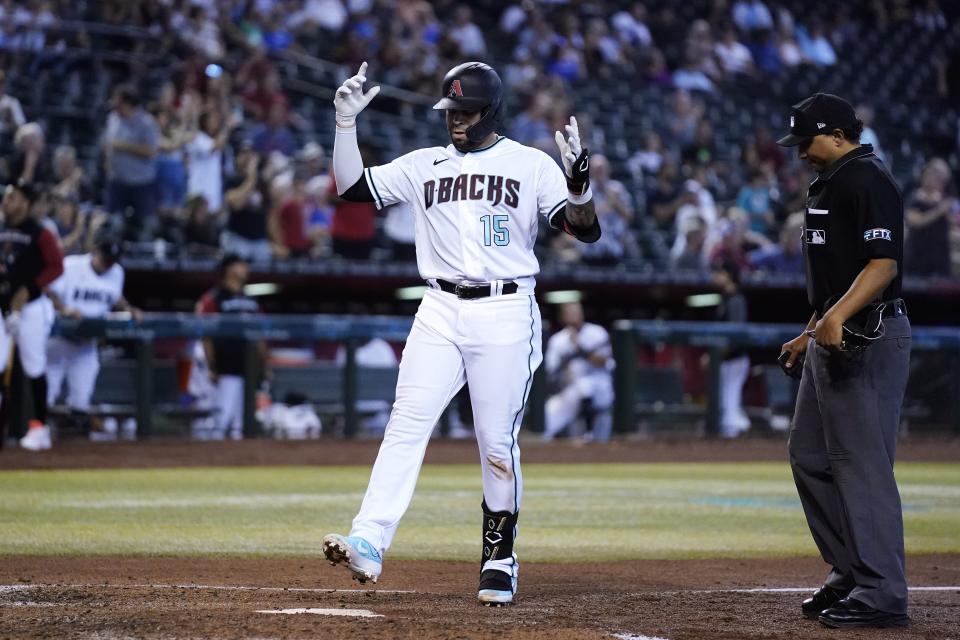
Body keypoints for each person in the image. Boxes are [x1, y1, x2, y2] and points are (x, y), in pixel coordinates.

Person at [321, 61, 599, 606]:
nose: (455, 121)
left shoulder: (528, 163)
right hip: (439, 308)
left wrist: (581, 188)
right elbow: (353, 187)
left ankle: (499, 556)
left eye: (465, 112)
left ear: (490, 111)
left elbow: (582, 230)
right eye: (450, 111)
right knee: (406, 424)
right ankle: (369, 542)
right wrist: (345, 126)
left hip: (505, 309)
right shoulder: (425, 164)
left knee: (496, 444)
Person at [777, 93, 911, 629]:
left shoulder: (868, 178)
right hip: (832, 335)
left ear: (835, 134)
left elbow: (883, 265)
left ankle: (882, 590)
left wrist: (834, 319)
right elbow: (838, 277)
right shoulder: (831, 181)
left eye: (805, 141)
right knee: (809, 455)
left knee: (862, 466)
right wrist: (812, 330)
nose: (800, 152)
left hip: (870, 336)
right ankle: (851, 570)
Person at [45, 234, 142, 438]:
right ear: (95, 251)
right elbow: (48, 290)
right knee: (46, 394)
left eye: (112, 261)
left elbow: (115, 298)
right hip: (58, 340)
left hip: (87, 345)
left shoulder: (116, 272)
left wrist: (128, 308)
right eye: (105, 258)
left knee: (81, 400)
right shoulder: (71, 266)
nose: (108, 264)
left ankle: (73, 451)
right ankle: (34, 443)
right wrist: (65, 309)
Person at [0, 180, 64, 451]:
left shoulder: (40, 232)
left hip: (32, 307)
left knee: (34, 365)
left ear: (25, 202)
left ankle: (39, 427)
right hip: (3, 307)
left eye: (12, 197)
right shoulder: (1, 230)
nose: (6, 201)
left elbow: (56, 266)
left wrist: (30, 289)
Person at [194, 254, 265, 440]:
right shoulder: (214, 298)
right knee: (220, 421)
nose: (245, 269)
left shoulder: (251, 299)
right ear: (229, 269)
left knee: (240, 426)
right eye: (241, 265)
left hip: (247, 368)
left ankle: (238, 463)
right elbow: (204, 333)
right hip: (223, 368)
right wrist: (210, 366)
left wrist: (264, 365)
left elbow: (260, 335)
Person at [541, 302, 613, 442]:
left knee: (601, 441)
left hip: (599, 388)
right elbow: (550, 370)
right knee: (547, 421)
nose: (573, 316)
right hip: (570, 390)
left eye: (576, 312)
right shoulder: (558, 340)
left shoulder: (597, 332)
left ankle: (589, 432)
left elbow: (603, 361)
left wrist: (579, 346)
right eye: (569, 313)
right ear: (562, 317)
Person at [103, 85, 160, 224]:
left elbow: (151, 151)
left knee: (143, 224)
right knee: (112, 222)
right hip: (117, 182)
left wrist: (123, 145)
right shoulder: (113, 118)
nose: (115, 107)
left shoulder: (147, 123)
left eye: (118, 103)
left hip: (141, 185)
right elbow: (108, 143)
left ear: (128, 104)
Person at [712, 260, 750, 437]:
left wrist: (718, 354)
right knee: (727, 399)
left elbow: (735, 333)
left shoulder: (736, 300)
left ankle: (733, 434)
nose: (715, 277)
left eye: (719, 273)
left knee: (729, 398)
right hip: (728, 359)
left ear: (729, 276)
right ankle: (734, 428)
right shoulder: (725, 298)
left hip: (735, 357)